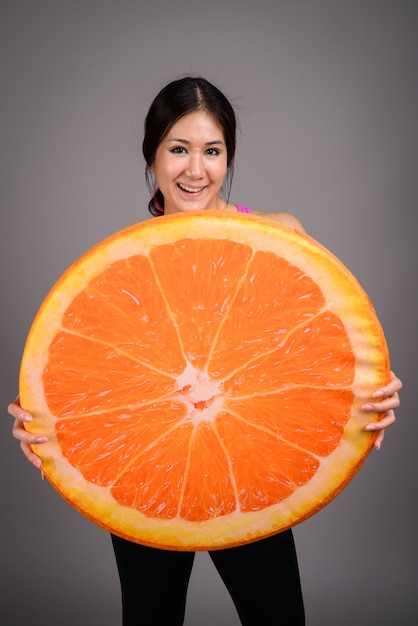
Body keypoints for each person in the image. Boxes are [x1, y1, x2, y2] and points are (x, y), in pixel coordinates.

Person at [8, 76, 401, 625]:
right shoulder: (118, 271)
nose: (196, 170)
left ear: (228, 158)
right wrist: (40, 420)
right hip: (151, 474)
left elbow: (326, 349)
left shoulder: (277, 239)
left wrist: (375, 388)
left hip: (248, 470)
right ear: (152, 157)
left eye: (212, 151)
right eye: (178, 149)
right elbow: (95, 389)